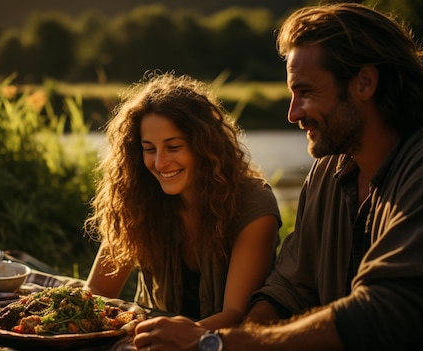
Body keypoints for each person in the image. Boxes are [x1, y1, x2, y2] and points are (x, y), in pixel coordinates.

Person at [132, 3, 423, 350]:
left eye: (305, 92)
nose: (292, 114)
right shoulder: (327, 172)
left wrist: (212, 343)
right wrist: (239, 338)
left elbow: (383, 311)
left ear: (364, 83)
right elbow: (288, 288)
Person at [84, 72, 281, 332]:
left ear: (204, 145)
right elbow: (98, 290)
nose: (160, 162)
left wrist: (173, 338)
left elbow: (236, 315)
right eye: (149, 148)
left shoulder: (253, 206)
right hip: (148, 340)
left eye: (173, 147)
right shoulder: (138, 197)